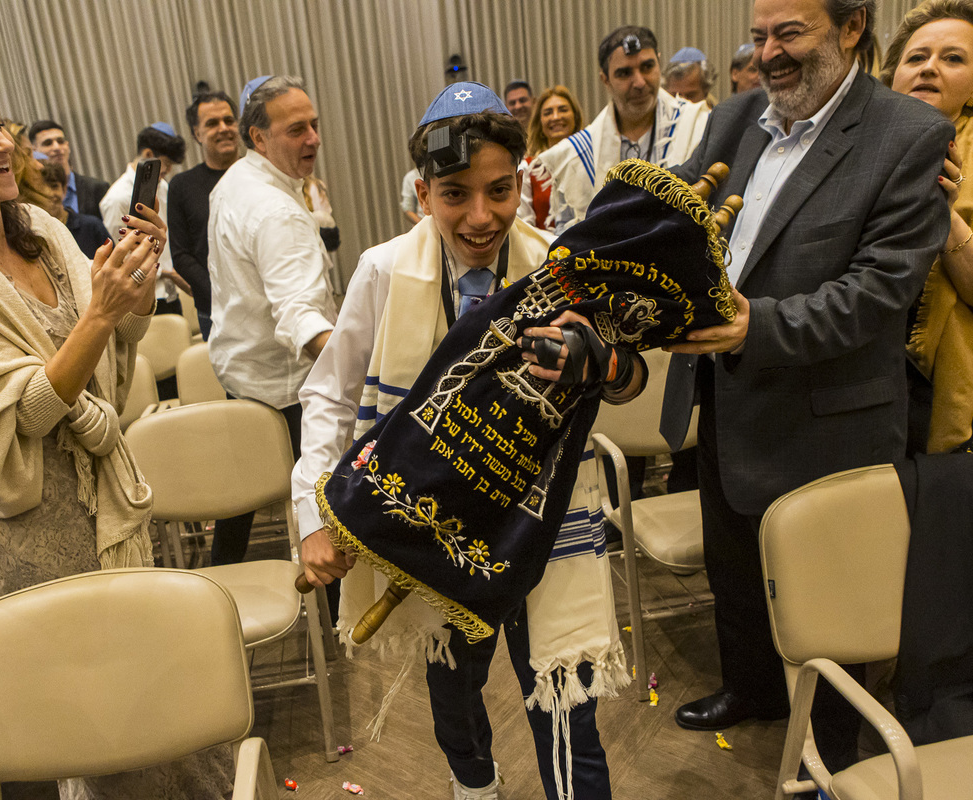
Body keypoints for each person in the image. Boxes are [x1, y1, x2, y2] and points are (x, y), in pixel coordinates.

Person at [0, 59, 233, 798]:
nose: (3, 143)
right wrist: (100, 312)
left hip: (109, 498)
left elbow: (116, 345)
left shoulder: (37, 228)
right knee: (108, 717)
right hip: (39, 526)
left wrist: (135, 278)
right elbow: (22, 415)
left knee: (165, 687)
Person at [294, 82, 645, 800]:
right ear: (423, 193)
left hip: (541, 524)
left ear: (521, 182)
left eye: (499, 191)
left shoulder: (559, 266)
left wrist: (601, 362)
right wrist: (313, 516)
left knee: (565, 698)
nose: (481, 217)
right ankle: (475, 784)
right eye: (455, 194)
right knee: (453, 685)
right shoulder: (384, 270)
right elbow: (329, 394)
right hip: (432, 522)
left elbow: (629, 379)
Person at [658, 0, 954, 771]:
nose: (768, 54)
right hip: (725, 396)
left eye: (790, 33)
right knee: (734, 565)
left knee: (831, 597)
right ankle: (751, 688)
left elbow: (879, 292)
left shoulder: (909, 135)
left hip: (830, 421)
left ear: (852, 27)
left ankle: (832, 754)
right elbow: (678, 214)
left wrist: (753, 325)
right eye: (759, 36)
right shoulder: (736, 119)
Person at [883, 0, 973, 461]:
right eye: (917, 57)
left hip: (944, 385)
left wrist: (943, 213)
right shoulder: (851, 150)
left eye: (953, 58)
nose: (929, 68)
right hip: (849, 372)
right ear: (893, 75)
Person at [207, 75, 336, 567]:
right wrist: (363, 363)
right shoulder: (276, 210)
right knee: (322, 517)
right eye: (296, 130)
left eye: (314, 125)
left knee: (236, 507)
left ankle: (215, 592)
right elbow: (298, 317)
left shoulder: (235, 180)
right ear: (259, 137)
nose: (314, 139)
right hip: (287, 392)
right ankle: (335, 605)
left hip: (244, 376)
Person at [532, 25, 710, 233]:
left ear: (659, 64)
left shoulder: (699, 125)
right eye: (624, 73)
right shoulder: (576, 156)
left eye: (647, 67)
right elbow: (567, 234)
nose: (639, 82)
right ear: (605, 80)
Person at [168, 90, 240, 338]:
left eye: (229, 120)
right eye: (212, 123)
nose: (224, 128)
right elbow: (181, 255)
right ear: (197, 134)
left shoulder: (261, 174)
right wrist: (222, 296)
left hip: (267, 304)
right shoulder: (182, 186)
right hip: (215, 313)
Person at [100, 123, 191, 316]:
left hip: (169, 293)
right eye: (166, 163)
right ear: (149, 154)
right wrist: (168, 273)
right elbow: (119, 256)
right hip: (139, 297)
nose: (169, 170)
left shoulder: (162, 186)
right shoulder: (117, 198)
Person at [519, 85, 584, 230]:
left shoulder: (591, 159)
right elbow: (525, 227)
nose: (556, 117)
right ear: (540, 123)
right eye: (548, 113)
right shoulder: (528, 168)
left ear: (575, 117)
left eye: (563, 110)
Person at [29, 118, 109, 219]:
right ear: (34, 151)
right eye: (48, 143)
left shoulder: (97, 188)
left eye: (60, 141)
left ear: (67, 146)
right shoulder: (33, 197)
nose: (57, 147)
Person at [42, 162, 111, 258]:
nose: (49, 193)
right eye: (42, 188)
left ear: (64, 189)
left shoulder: (92, 226)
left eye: (54, 186)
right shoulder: (38, 235)